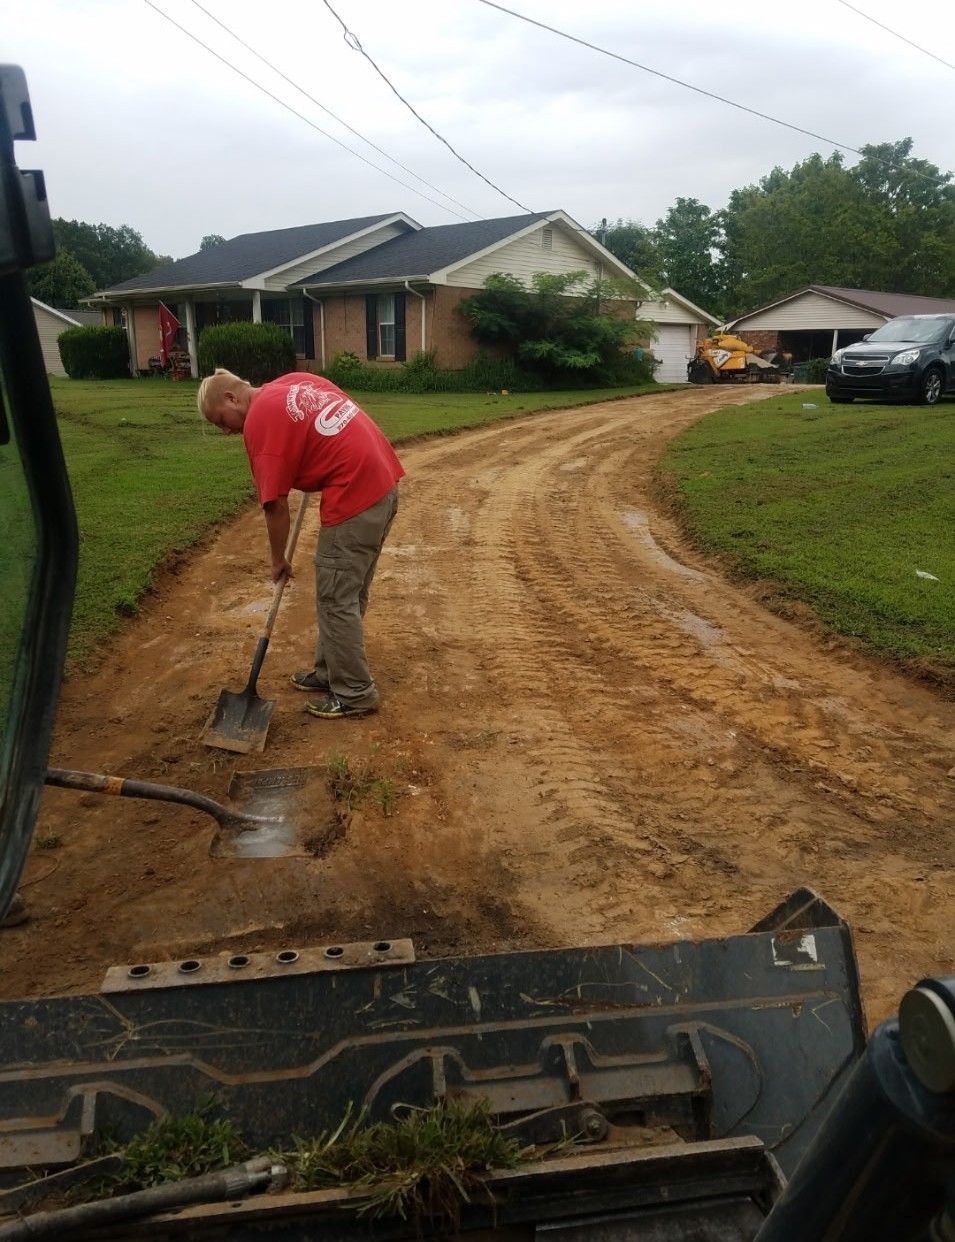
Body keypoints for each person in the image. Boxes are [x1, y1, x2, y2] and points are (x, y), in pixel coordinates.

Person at [198, 368, 404, 720]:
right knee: (345, 591)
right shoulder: (290, 382)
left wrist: (277, 559)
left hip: (355, 492)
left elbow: (275, 506)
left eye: (222, 420)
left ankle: (355, 692)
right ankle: (330, 672)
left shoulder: (259, 421)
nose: (227, 430)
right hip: (382, 481)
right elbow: (334, 413)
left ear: (232, 398)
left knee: (336, 597)